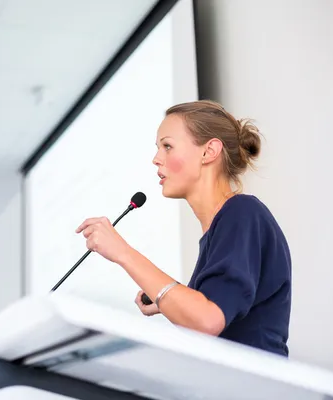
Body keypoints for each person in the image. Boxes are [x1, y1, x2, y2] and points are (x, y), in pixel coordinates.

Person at [75, 100, 292, 357]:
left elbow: (206, 320)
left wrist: (122, 252)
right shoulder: (223, 226)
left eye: (167, 146)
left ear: (208, 151)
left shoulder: (241, 212)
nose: (156, 159)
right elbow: (209, 315)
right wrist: (168, 301)